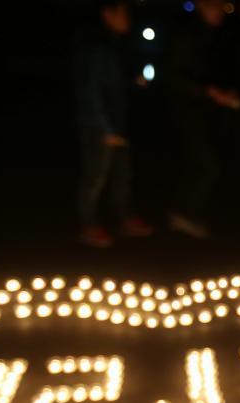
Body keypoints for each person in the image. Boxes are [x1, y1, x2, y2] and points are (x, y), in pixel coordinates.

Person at [73, 0, 154, 248]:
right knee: (96, 176)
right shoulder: (98, 46)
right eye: (123, 14)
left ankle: (124, 218)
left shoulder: (115, 44)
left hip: (116, 122)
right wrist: (106, 128)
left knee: (122, 174)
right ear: (108, 14)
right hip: (99, 124)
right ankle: (88, 225)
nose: (127, 19)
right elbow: (92, 90)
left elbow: (113, 83)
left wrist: (133, 82)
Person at [167, 0, 240, 239]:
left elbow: (218, 69)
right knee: (207, 164)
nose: (219, 11)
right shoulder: (187, 35)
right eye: (213, 6)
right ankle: (183, 214)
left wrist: (226, 91)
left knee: (200, 162)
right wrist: (210, 92)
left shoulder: (219, 34)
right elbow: (178, 77)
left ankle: (185, 213)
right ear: (201, 6)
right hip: (189, 111)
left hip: (207, 111)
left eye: (221, 6)